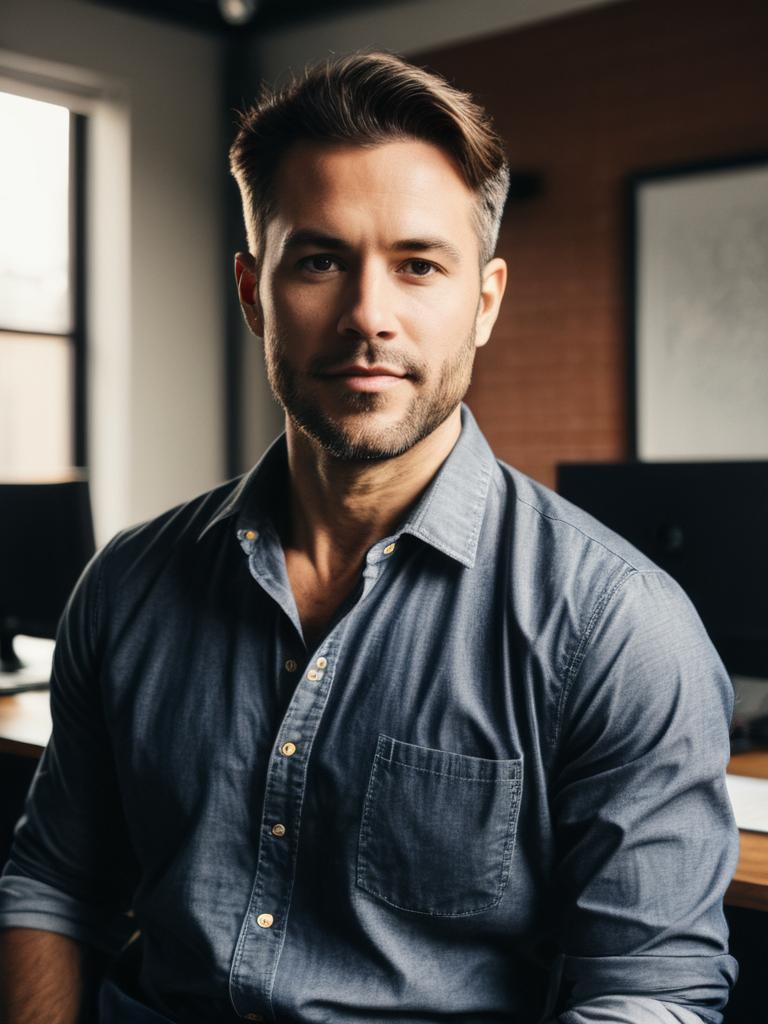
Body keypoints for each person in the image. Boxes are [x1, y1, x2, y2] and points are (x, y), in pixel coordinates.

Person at [0, 52, 738, 1024]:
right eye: (320, 261)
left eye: (419, 265)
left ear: (485, 301)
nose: (367, 318)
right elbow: (55, 884)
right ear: (253, 292)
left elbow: (648, 992)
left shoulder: (619, 628)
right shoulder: (129, 584)